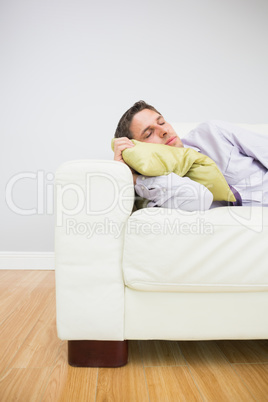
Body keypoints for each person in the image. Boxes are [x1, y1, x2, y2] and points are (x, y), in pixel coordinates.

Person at [113, 100, 268, 211]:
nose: (164, 131)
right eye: (148, 134)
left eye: (161, 122)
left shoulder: (212, 133)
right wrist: (133, 176)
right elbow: (199, 198)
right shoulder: (156, 191)